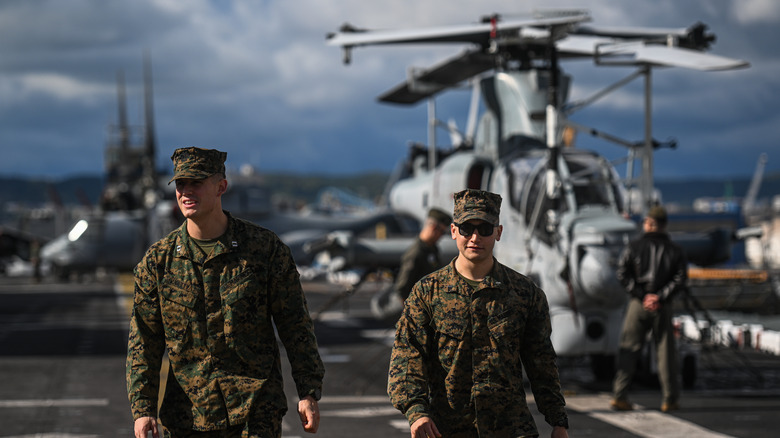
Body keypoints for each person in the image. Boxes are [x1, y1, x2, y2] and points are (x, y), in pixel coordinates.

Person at [126, 147, 325, 438]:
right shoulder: (158, 262)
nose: (186, 191)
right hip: (187, 417)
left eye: (196, 182)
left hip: (255, 413)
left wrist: (308, 392)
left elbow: (295, 325)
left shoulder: (264, 250)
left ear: (221, 187)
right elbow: (144, 340)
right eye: (181, 184)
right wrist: (143, 410)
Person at [388, 189, 570, 438]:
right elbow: (407, 358)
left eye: (484, 229)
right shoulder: (427, 292)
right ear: (454, 231)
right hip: (448, 430)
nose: (475, 237)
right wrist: (416, 411)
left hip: (511, 429)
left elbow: (542, 363)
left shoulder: (525, 293)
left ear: (498, 232)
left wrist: (558, 421)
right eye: (466, 228)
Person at [611, 205, 687, 413]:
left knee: (629, 349)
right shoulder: (675, 250)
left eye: (645, 221)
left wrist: (642, 295)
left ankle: (620, 395)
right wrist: (659, 297)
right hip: (662, 306)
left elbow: (622, 274)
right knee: (666, 353)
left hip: (638, 304)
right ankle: (670, 399)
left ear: (650, 224)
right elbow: (680, 279)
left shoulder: (634, 247)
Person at [370, 207, 452, 320]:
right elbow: (402, 289)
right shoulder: (416, 253)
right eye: (442, 232)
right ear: (433, 227)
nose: (441, 236)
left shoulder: (432, 249)